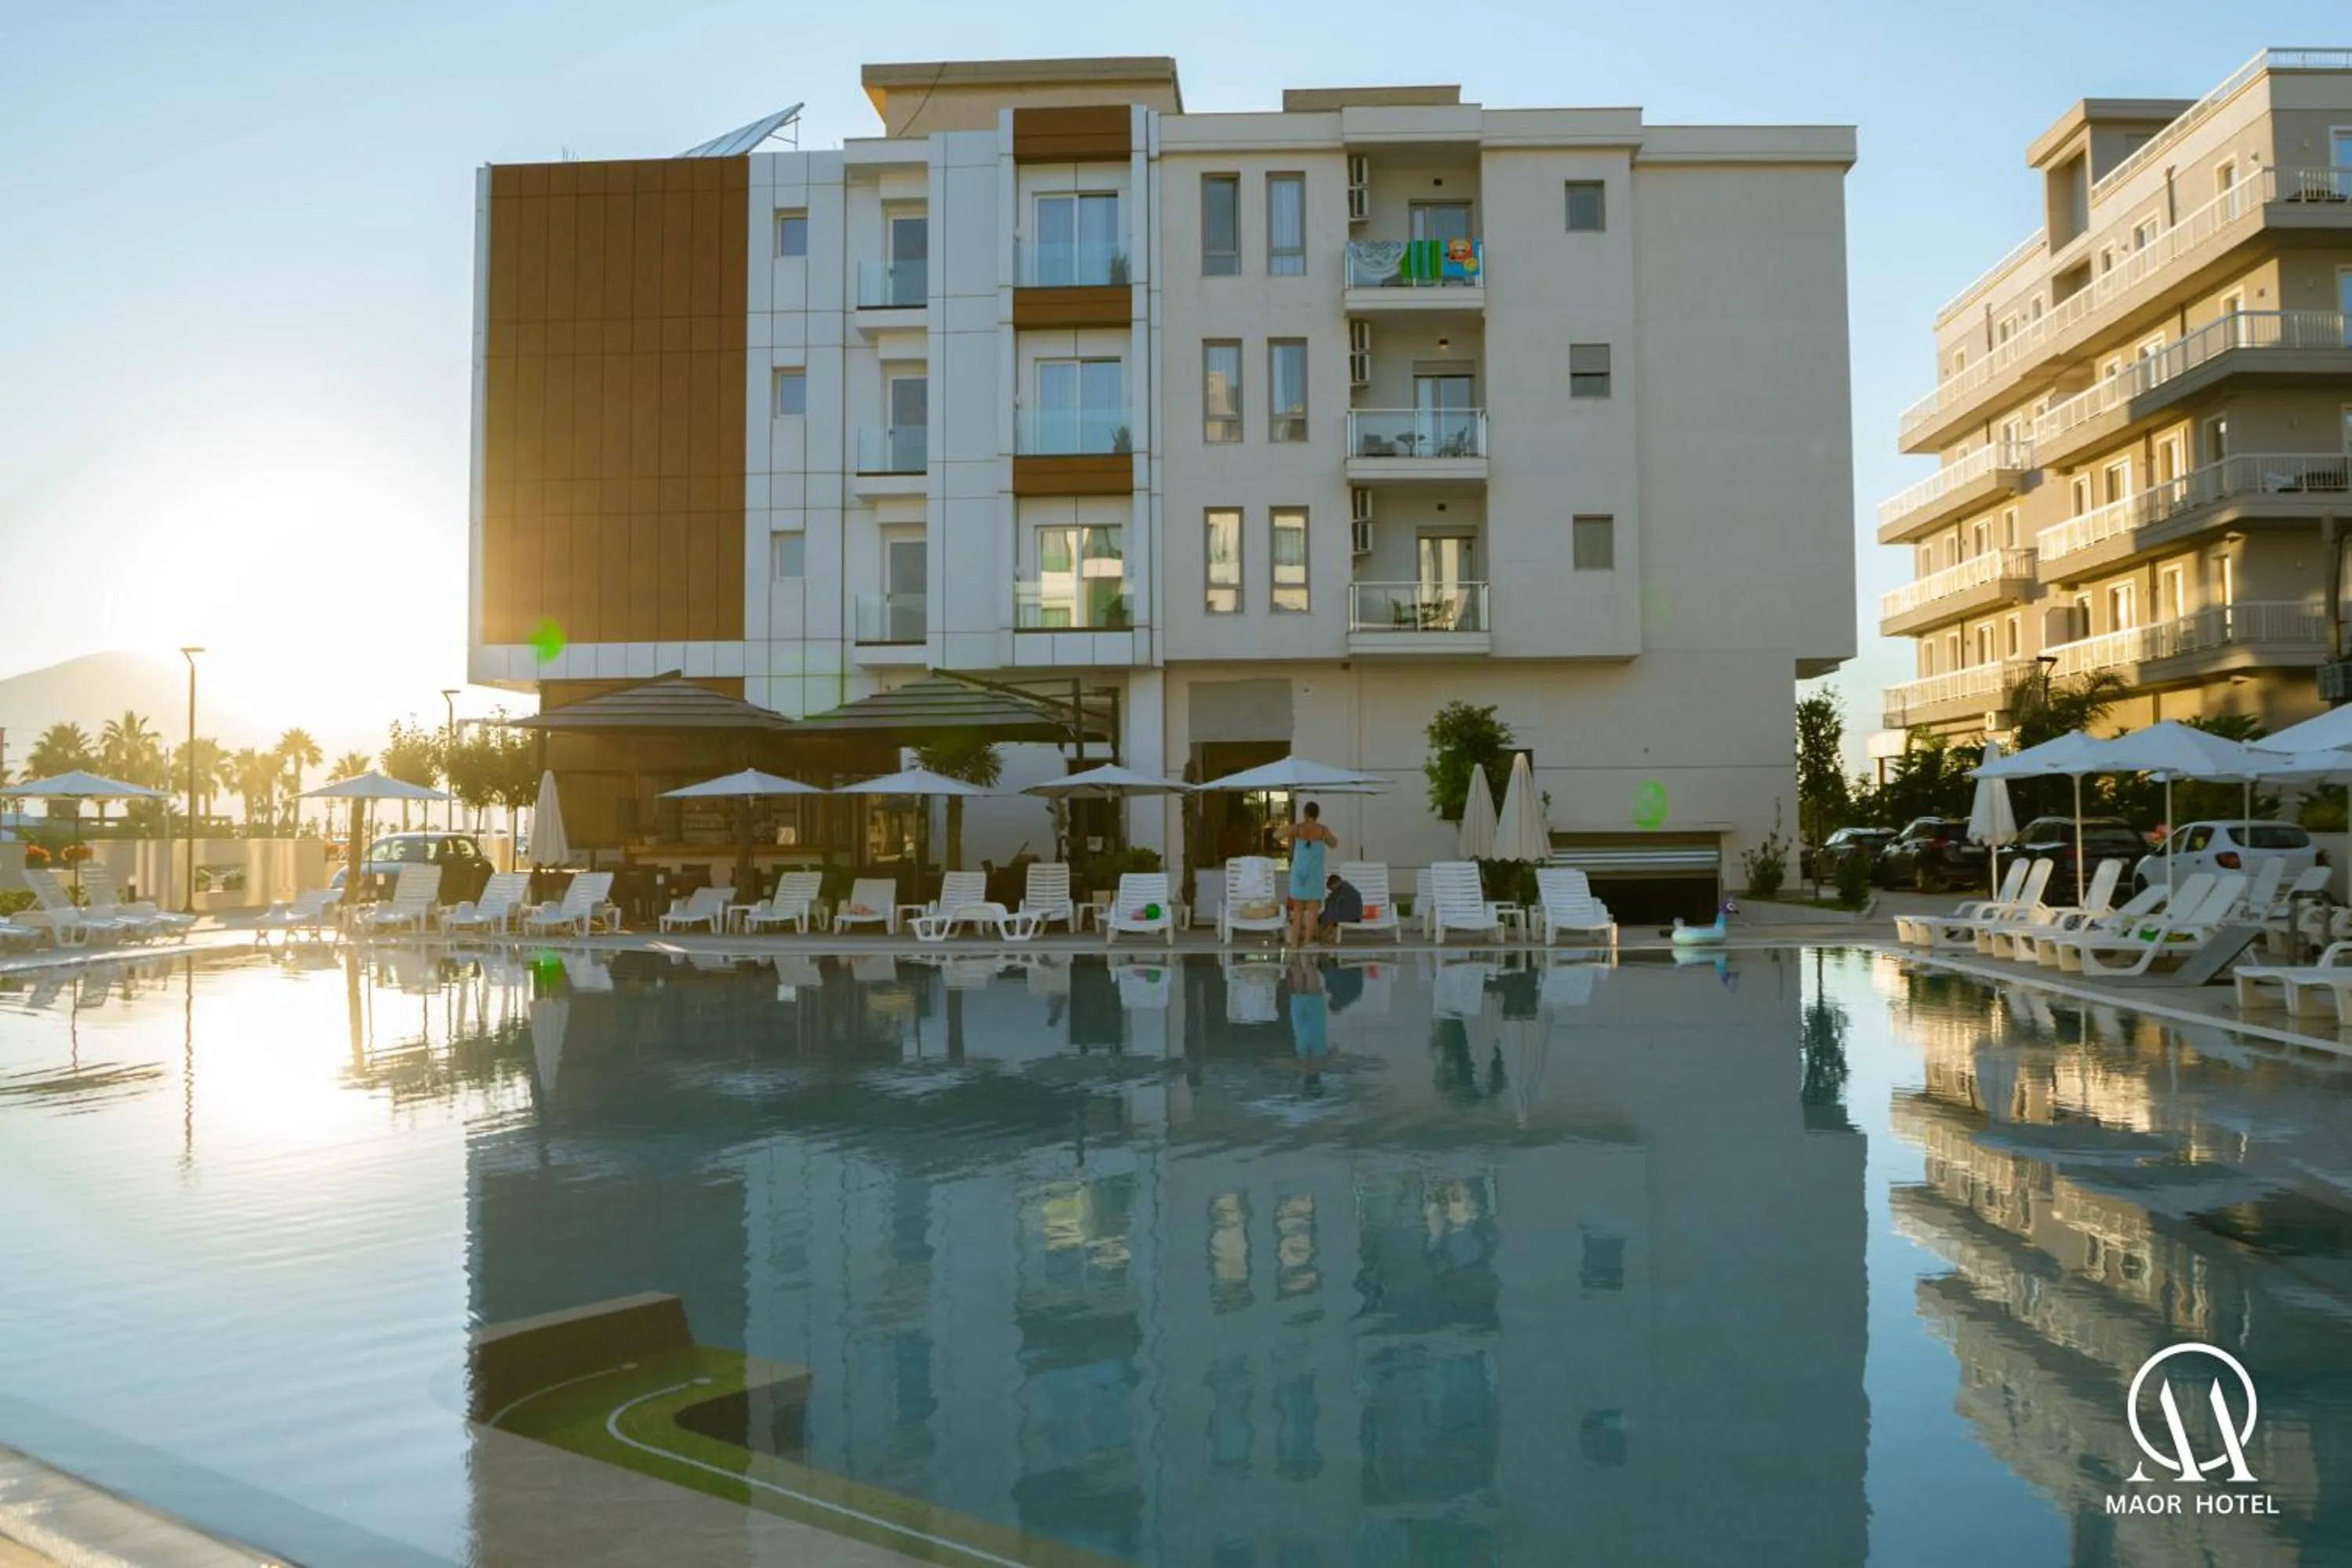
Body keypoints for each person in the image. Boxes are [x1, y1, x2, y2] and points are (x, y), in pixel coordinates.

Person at [1275, 800, 1337, 949]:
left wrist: (1288, 831)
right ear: (1317, 815)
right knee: (1313, 910)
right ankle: (1308, 941)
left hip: (1299, 874)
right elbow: (1334, 844)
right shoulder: (1322, 830)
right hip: (1315, 874)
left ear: (1305, 813)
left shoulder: (1297, 828)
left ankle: (1295, 943)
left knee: (1297, 911)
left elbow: (1276, 835)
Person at [1319, 871, 1363, 942]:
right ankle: (1320, 934)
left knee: (1330, 917)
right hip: (1356, 916)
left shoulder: (1341, 890)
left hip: (1350, 916)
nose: (1332, 891)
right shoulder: (1346, 888)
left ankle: (1321, 936)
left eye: (1331, 889)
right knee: (1330, 915)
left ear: (1335, 884)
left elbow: (1331, 902)